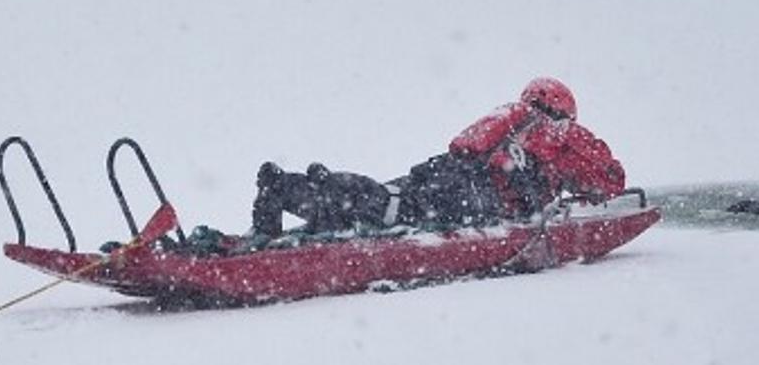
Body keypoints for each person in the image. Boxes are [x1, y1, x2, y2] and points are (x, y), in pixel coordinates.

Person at [249, 77, 628, 237]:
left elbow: (466, 148)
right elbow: (610, 178)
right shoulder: (554, 132)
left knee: (386, 205)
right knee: (387, 211)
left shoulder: (506, 118)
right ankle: (292, 188)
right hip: (470, 194)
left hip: (444, 171)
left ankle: (314, 187)